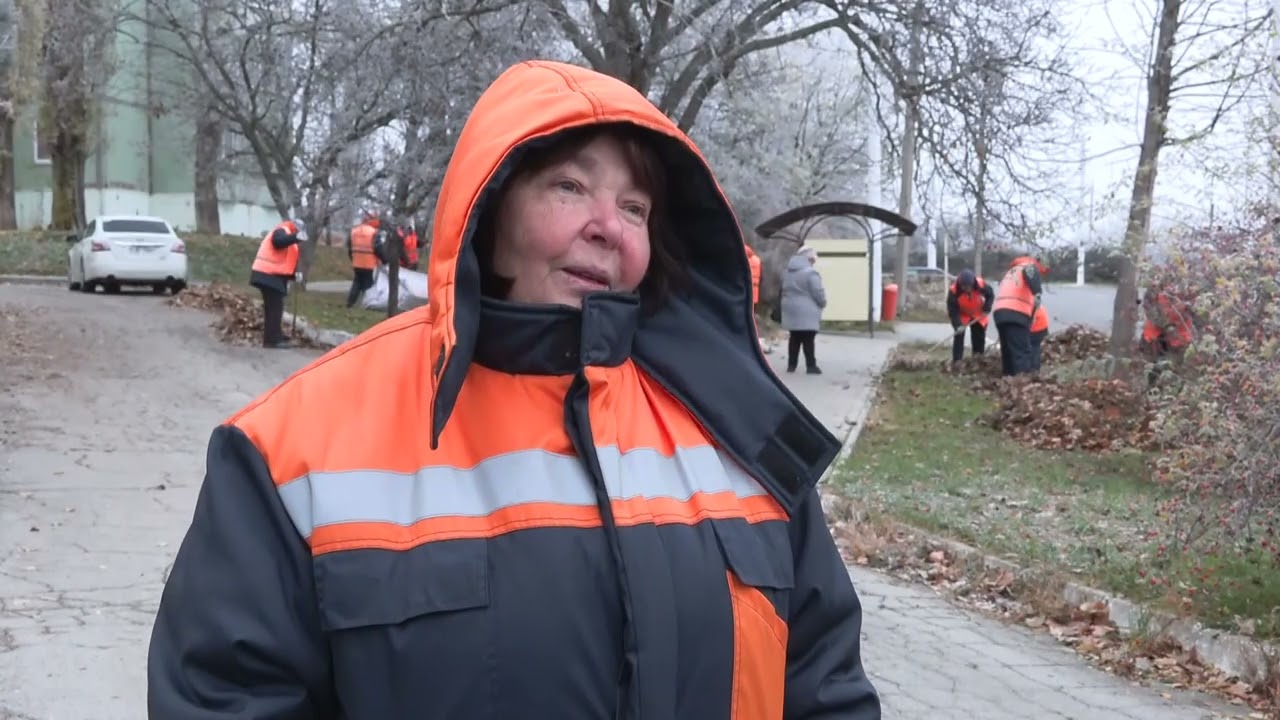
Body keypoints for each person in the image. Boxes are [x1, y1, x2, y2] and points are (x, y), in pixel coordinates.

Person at [147, 60, 880, 719]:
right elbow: (224, 697)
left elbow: (825, 687)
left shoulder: (738, 428)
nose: (608, 228)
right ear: (490, 214)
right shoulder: (290, 448)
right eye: (570, 186)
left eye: (635, 208)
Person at [248, 216, 306, 348]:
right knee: (275, 307)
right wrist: (296, 237)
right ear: (295, 227)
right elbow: (277, 242)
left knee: (273, 307)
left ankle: (275, 335)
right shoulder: (282, 230)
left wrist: (294, 276)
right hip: (267, 275)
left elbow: (283, 261)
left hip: (270, 275)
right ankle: (272, 340)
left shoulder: (288, 235)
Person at [992, 255, 1047, 377]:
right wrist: (1037, 293)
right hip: (1017, 312)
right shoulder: (1028, 266)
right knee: (1021, 352)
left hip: (1000, 313)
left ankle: (1008, 378)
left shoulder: (1012, 271)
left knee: (1008, 351)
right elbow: (1030, 272)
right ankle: (1022, 385)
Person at [780, 245, 828, 374]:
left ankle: (791, 365)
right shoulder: (810, 273)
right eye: (813, 259)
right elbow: (818, 292)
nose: (814, 261)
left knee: (794, 337)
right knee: (808, 339)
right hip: (807, 310)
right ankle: (811, 366)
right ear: (808, 259)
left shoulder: (788, 272)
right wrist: (823, 303)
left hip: (790, 309)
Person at [945, 268, 994, 365]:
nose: (966, 289)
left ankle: (977, 359)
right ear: (960, 284)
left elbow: (990, 295)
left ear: (972, 284)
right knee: (959, 335)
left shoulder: (980, 284)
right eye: (964, 286)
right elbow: (953, 311)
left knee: (979, 336)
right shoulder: (954, 291)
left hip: (978, 313)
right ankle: (957, 360)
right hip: (962, 315)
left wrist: (987, 308)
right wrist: (957, 324)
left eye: (968, 286)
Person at [346, 212, 380, 308]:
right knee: (368, 284)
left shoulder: (354, 231)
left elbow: (349, 247)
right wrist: (384, 259)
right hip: (369, 263)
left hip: (357, 262)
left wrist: (353, 259)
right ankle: (368, 304)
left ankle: (350, 303)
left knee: (357, 282)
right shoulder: (373, 232)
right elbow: (378, 248)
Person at [1030, 303, 1049, 371]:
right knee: (1036, 349)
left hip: (1036, 330)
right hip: (1043, 328)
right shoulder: (1037, 303)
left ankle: (1034, 369)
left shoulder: (1030, 306)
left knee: (1033, 349)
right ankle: (1036, 368)